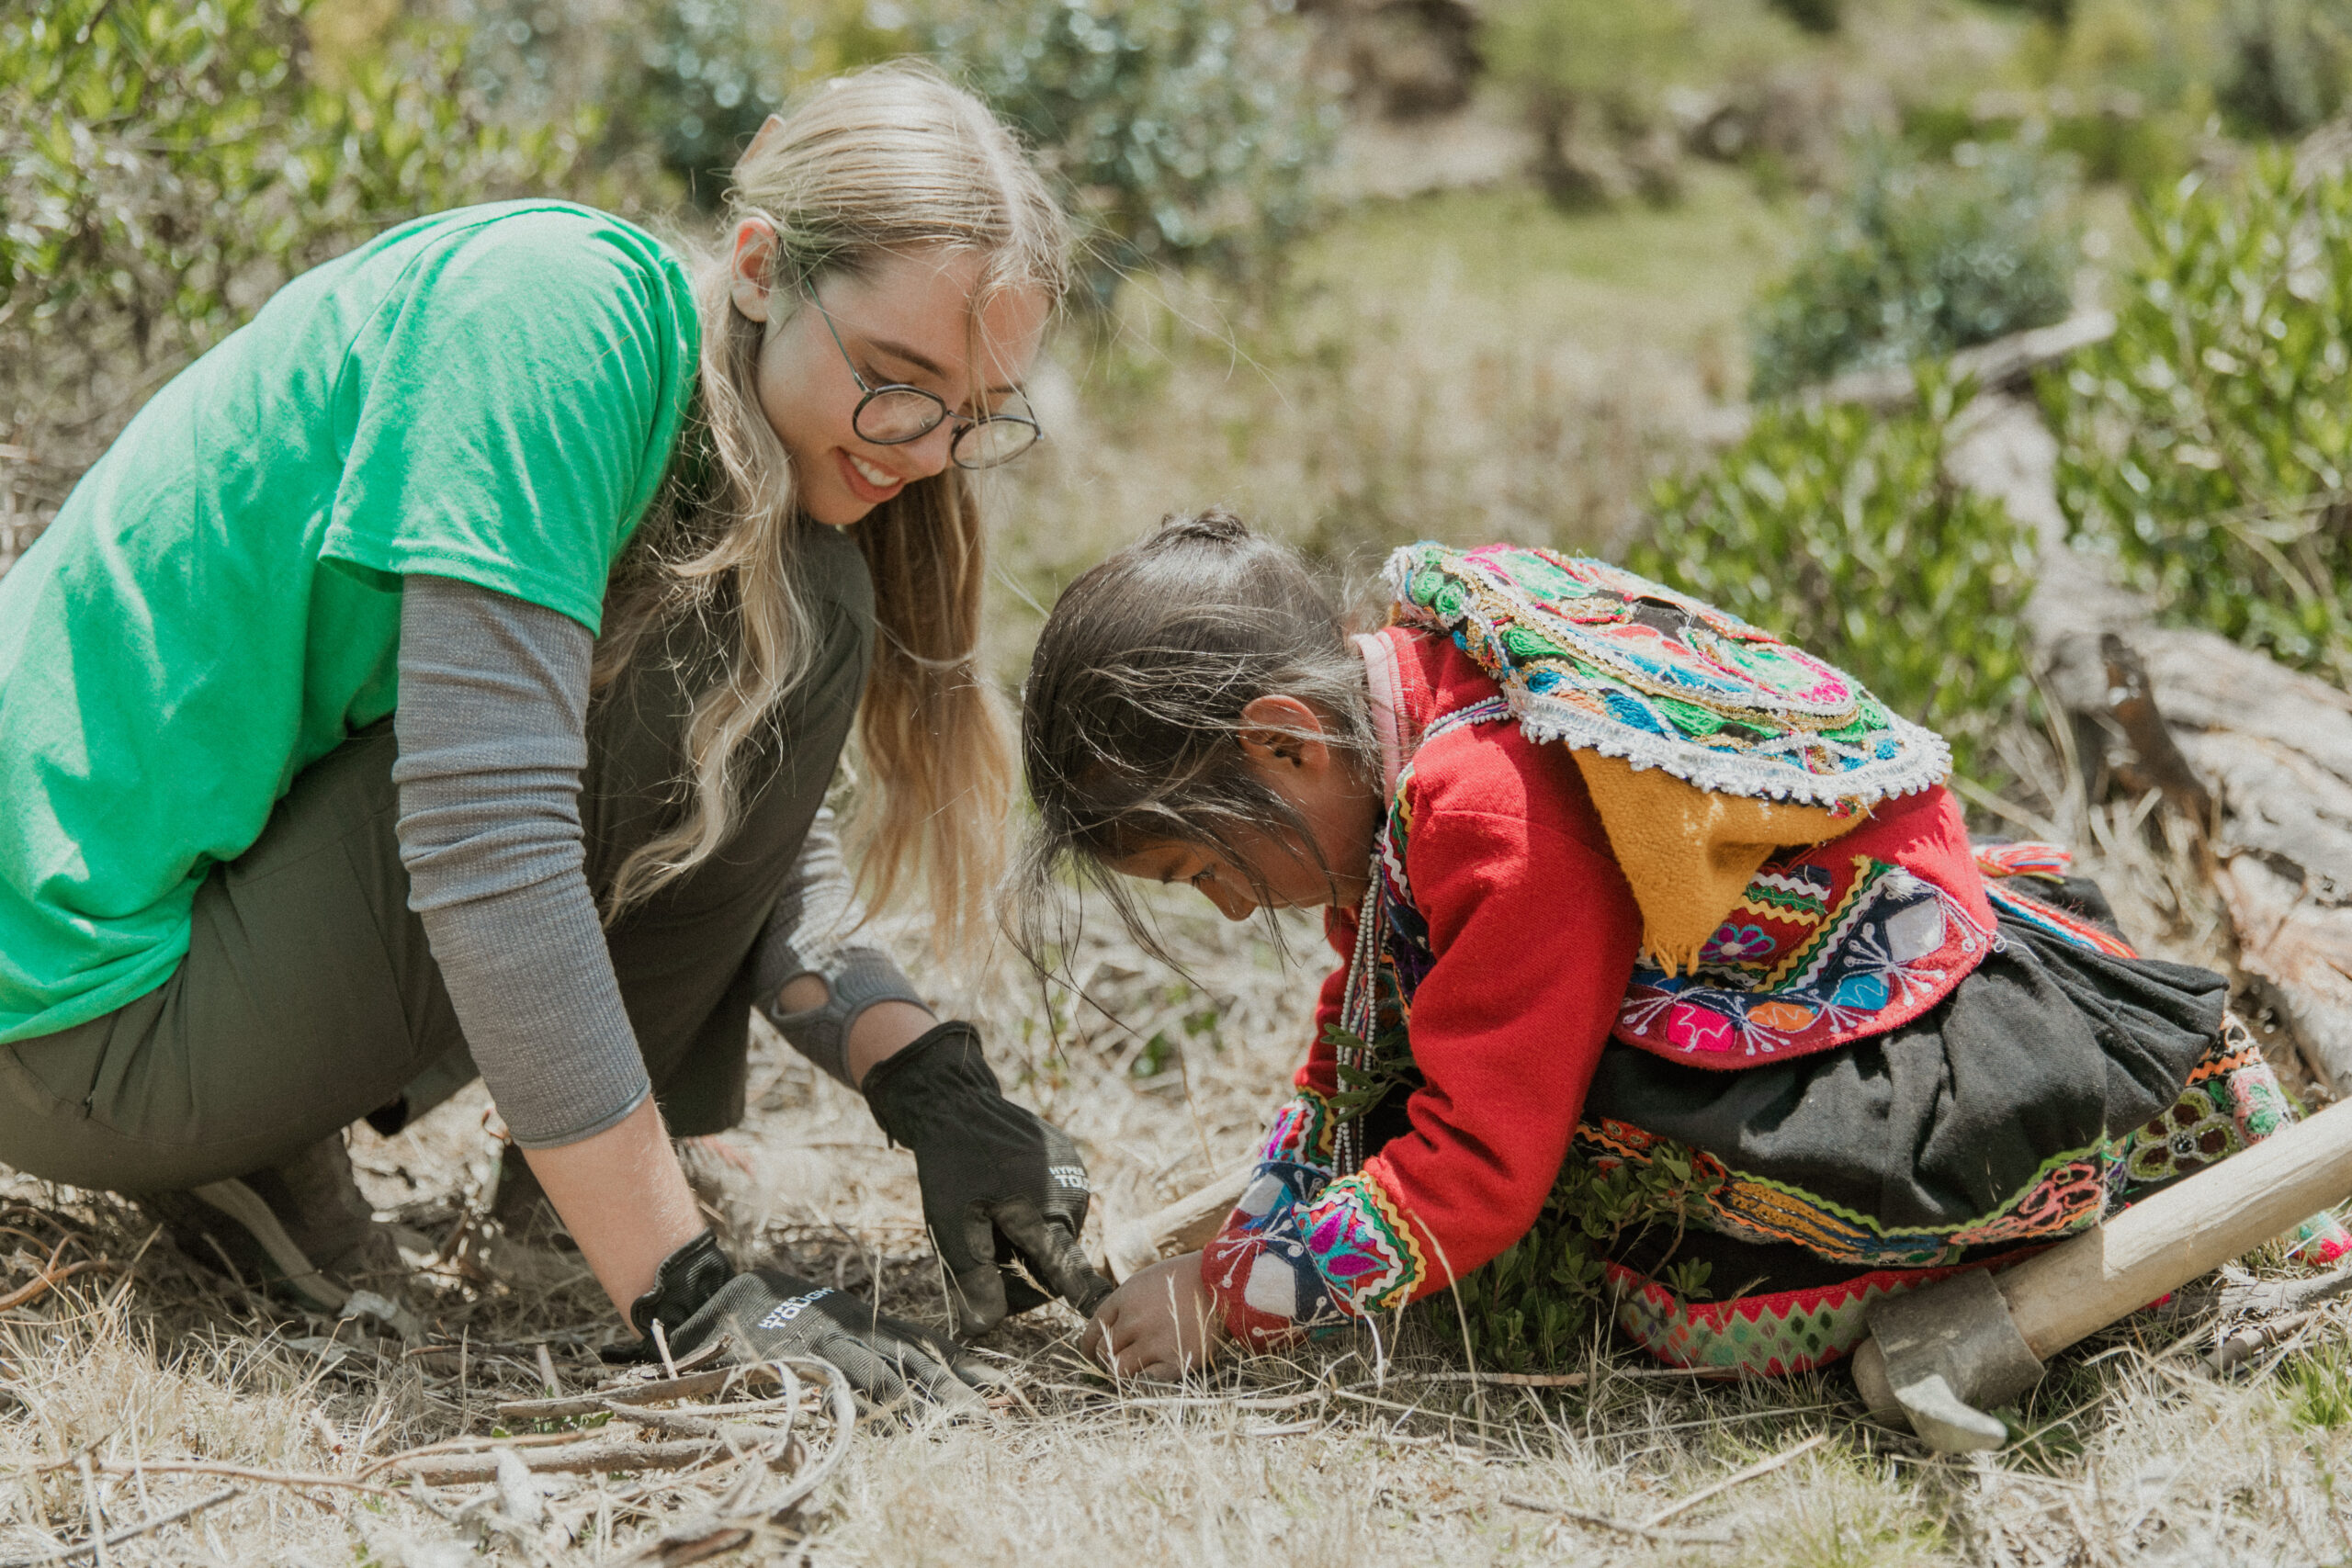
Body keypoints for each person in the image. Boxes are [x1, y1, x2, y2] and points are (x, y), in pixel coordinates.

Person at [0, 63, 1110, 1409]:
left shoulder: (704, 421)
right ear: (759, 265)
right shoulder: (553, 324)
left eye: (974, 416)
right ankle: (576, 1211)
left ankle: (499, 1183)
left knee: (805, 607)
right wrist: (688, 1296)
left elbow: (746, 850)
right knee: (806, 607)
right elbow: (488, 835)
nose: (926, 454)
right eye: (896, 381)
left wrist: (927, 1077)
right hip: (68, 1012)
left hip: (116, 965)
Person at [1019, 513, 2349, 1381]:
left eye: (1207, 867)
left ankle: (2167, 1109)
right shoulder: (1391, 719)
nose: (1231, 908)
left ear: (1279, 743)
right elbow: (1369, 1033)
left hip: (1892, 1017)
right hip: (1793, 942)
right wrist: (1248, 1230)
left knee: (1690, 1313)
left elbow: (1482, 1164)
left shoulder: (1482, 804)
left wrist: (1238, 1295)